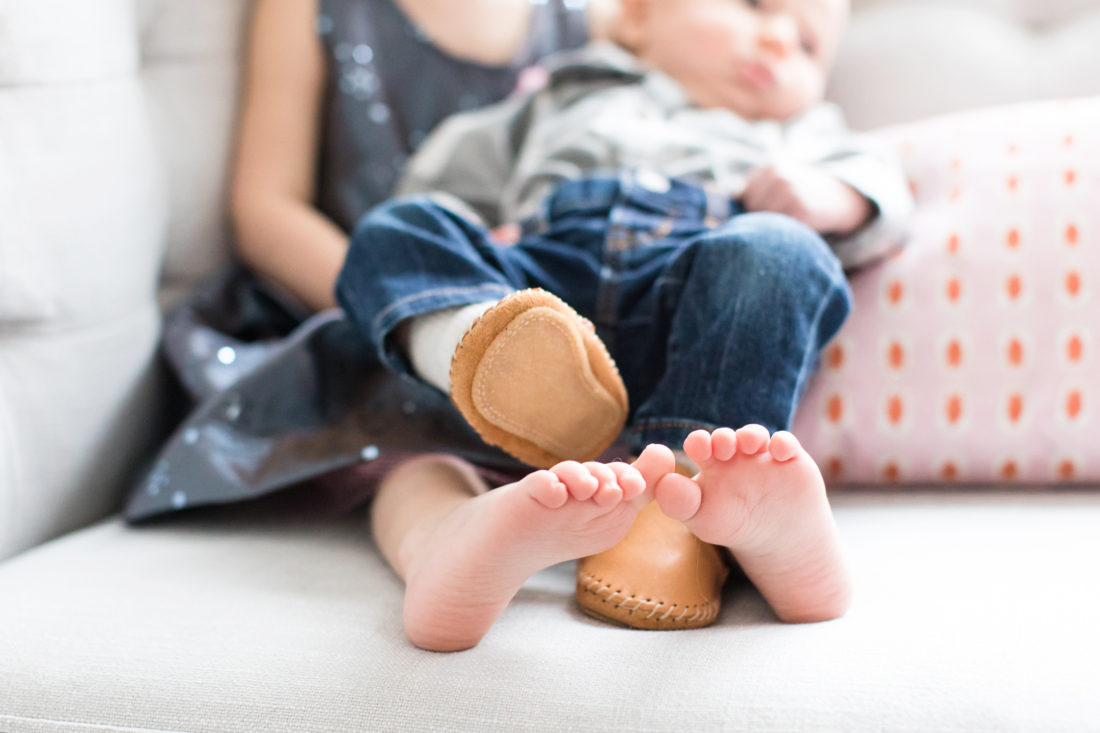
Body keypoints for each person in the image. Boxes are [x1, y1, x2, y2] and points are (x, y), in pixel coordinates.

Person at [333, 0, 914, 649]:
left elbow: (881, 194)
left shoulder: (800, 132)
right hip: (542, 293)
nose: (779, 41)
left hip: (686, 306)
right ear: (638, 16)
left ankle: (680, 503)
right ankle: (485, 367)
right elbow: (444, 182)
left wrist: (829, 195)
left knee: (779, 249)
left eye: (808, 45)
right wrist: (475, 245)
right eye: (752, 7)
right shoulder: (560, 90)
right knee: (396, 227)